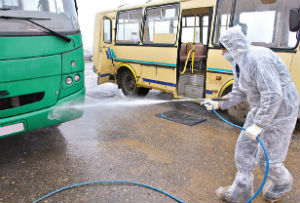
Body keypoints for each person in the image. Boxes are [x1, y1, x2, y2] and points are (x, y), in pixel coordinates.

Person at [202, 26, 299, 202]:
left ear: (234, 46)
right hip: (260, 108)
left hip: (282, 110)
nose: (223, 52)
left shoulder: (259, 57)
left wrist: (259, 124)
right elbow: (239, 90)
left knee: (267, 159)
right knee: (244, 150)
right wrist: (218, 103)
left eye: (224, 48)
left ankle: (282, 183)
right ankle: (240, 192)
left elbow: (273, 94)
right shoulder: (238, 62)